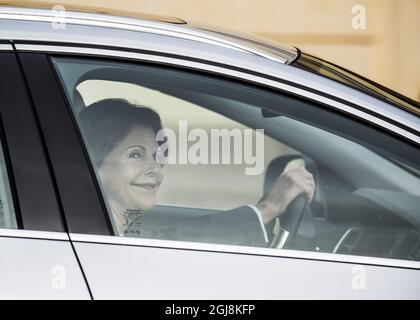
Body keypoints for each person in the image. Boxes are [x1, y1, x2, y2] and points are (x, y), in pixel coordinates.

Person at [79, 99, 315, 247]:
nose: (154, 168)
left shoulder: (119, 227)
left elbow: (168, 235)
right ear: (92, 160)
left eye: (157, 155)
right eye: (135, 154)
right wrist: (268, 209)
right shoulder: (84, 234)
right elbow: (171, 239)